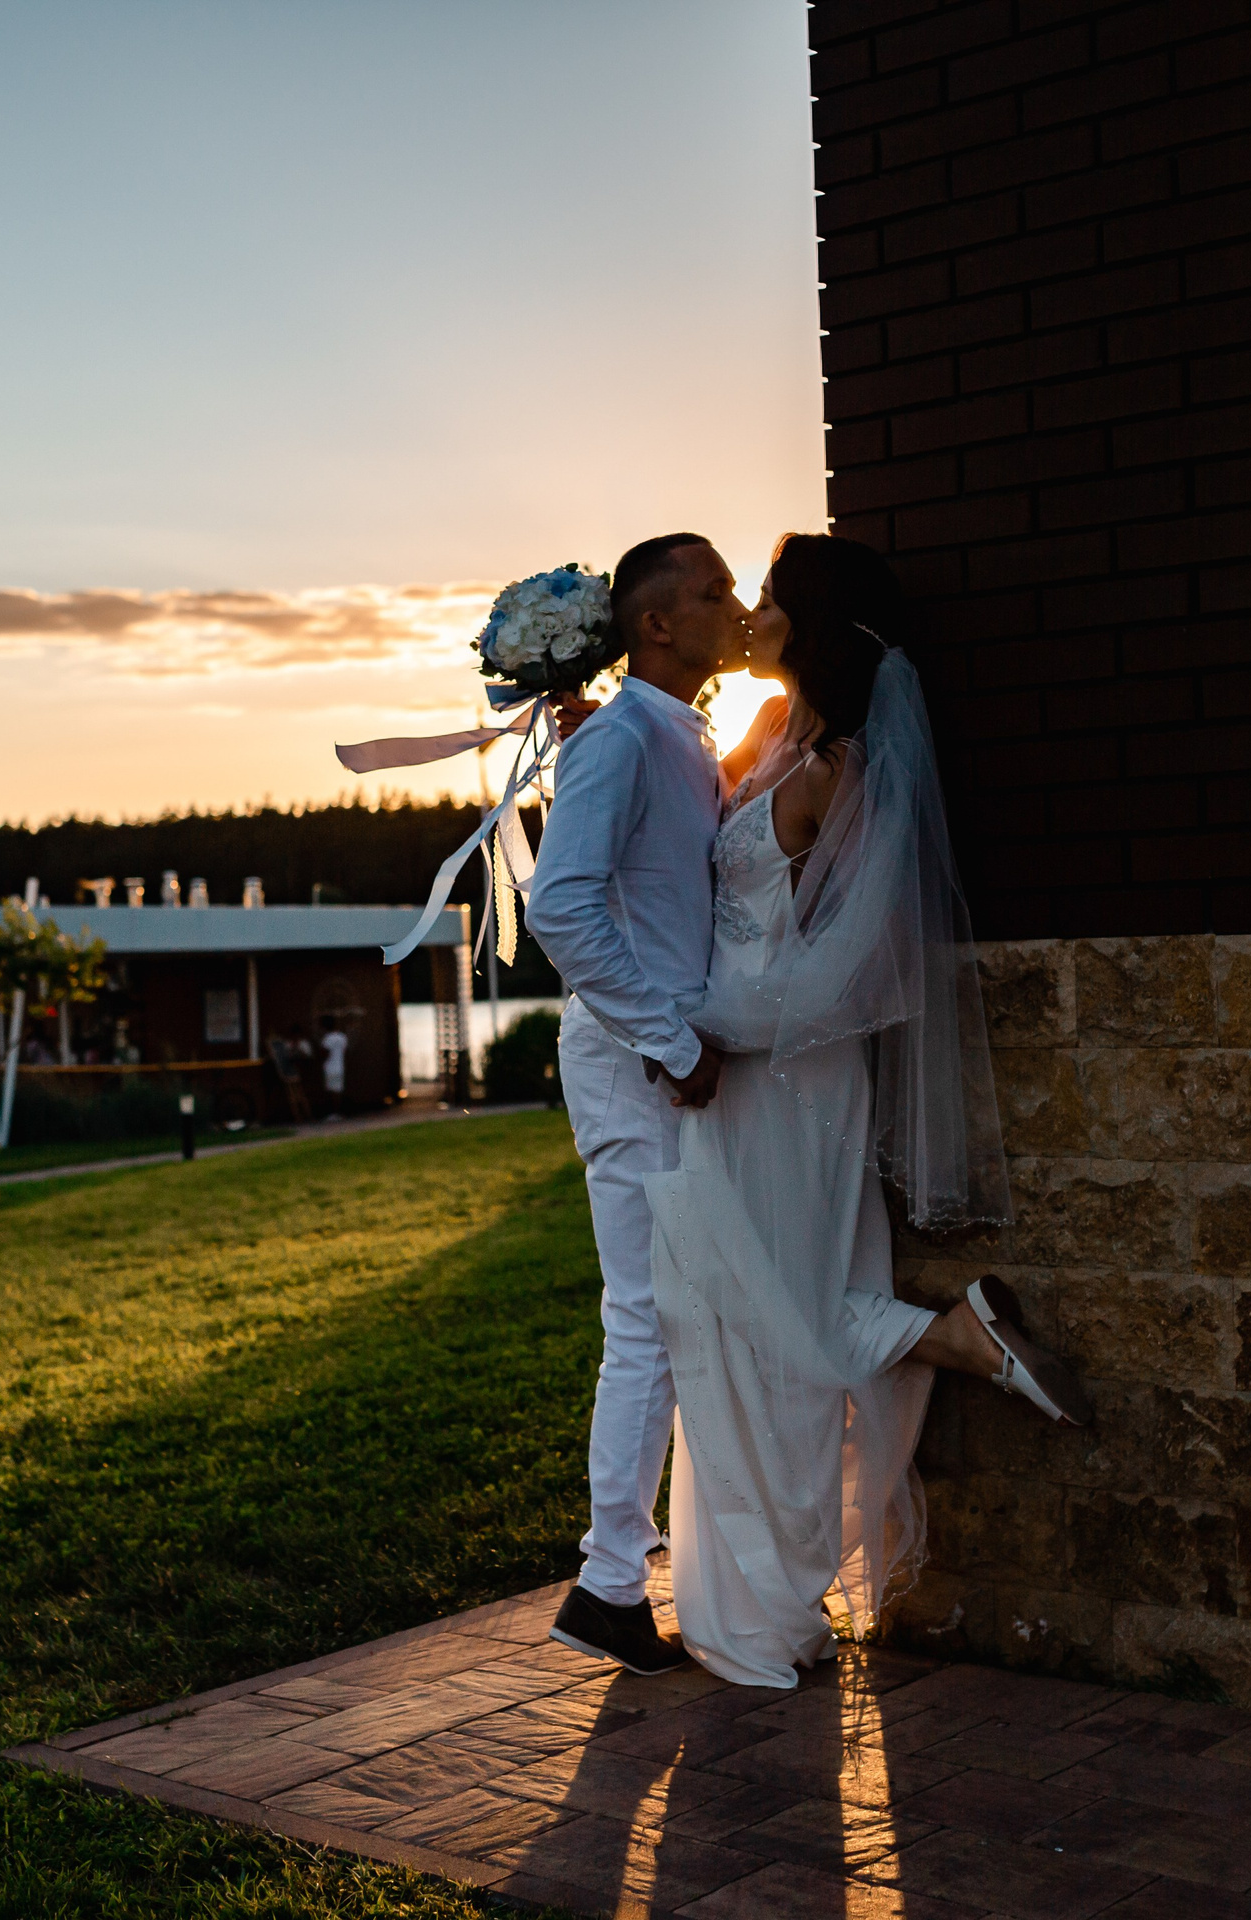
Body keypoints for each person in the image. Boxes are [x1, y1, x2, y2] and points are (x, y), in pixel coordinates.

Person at [648, 532, 1088, 1690]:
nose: (752, 615)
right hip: (733, 1076)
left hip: (786, 1075)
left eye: (770, 599)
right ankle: (951, 1341)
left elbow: (854, 969)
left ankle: (775, 1592)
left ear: (814, 622)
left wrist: (697, 1029)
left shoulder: (838, 769)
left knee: (774, 1315)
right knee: (739, 1307)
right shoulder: (766, 735)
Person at [525, 532, 751, 1676]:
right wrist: (667, 1039)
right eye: (715, 590)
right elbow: (558, 909)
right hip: (633, 1063)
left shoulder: (670, 733)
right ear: (656, 624)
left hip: (668, 1059)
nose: (736, 603)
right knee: (645, 1321)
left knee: (677, 1315)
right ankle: (609, 1584)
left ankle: (633, 1574)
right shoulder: (619, 738)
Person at [317, 1016, 349, 1118]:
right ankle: (338, 1112)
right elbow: (345, 1051)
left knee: (332, 1091)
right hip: (340, 1066)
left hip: (330, 1067)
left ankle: (335, 1113)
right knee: (338, 1090)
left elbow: (325, 1053)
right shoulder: (342, 1037)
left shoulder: (328, 1038)